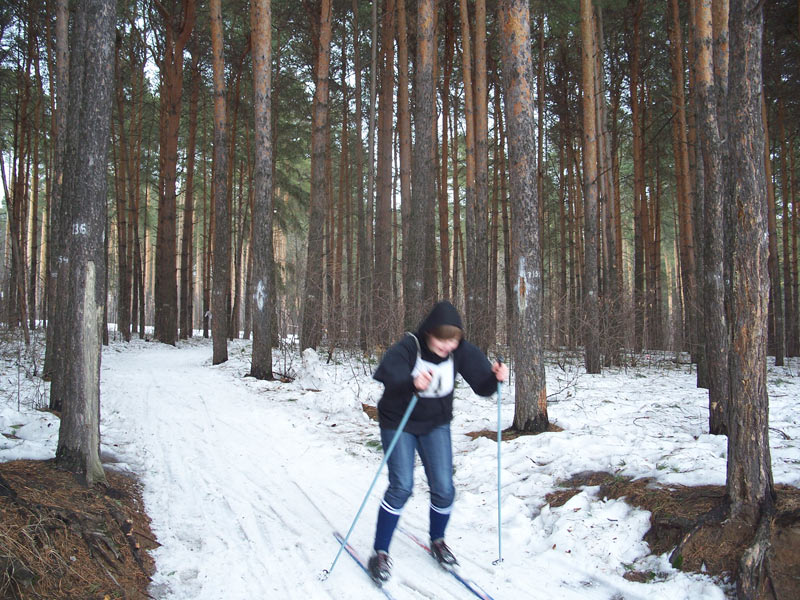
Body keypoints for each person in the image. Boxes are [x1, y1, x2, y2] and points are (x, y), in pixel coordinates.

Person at [367, 300, 508, 583]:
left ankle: (438, 540)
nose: (447, 347)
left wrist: (496, 378)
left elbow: (482, 386)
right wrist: (411, 381)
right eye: (442, 340)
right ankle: (380, 552)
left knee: (444, 488)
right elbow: (386, 371)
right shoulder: (410, 346)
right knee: (402, 486)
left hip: (435, 424)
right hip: (400, 423)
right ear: (429, 333)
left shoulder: (462, 352)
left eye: (453, 341)